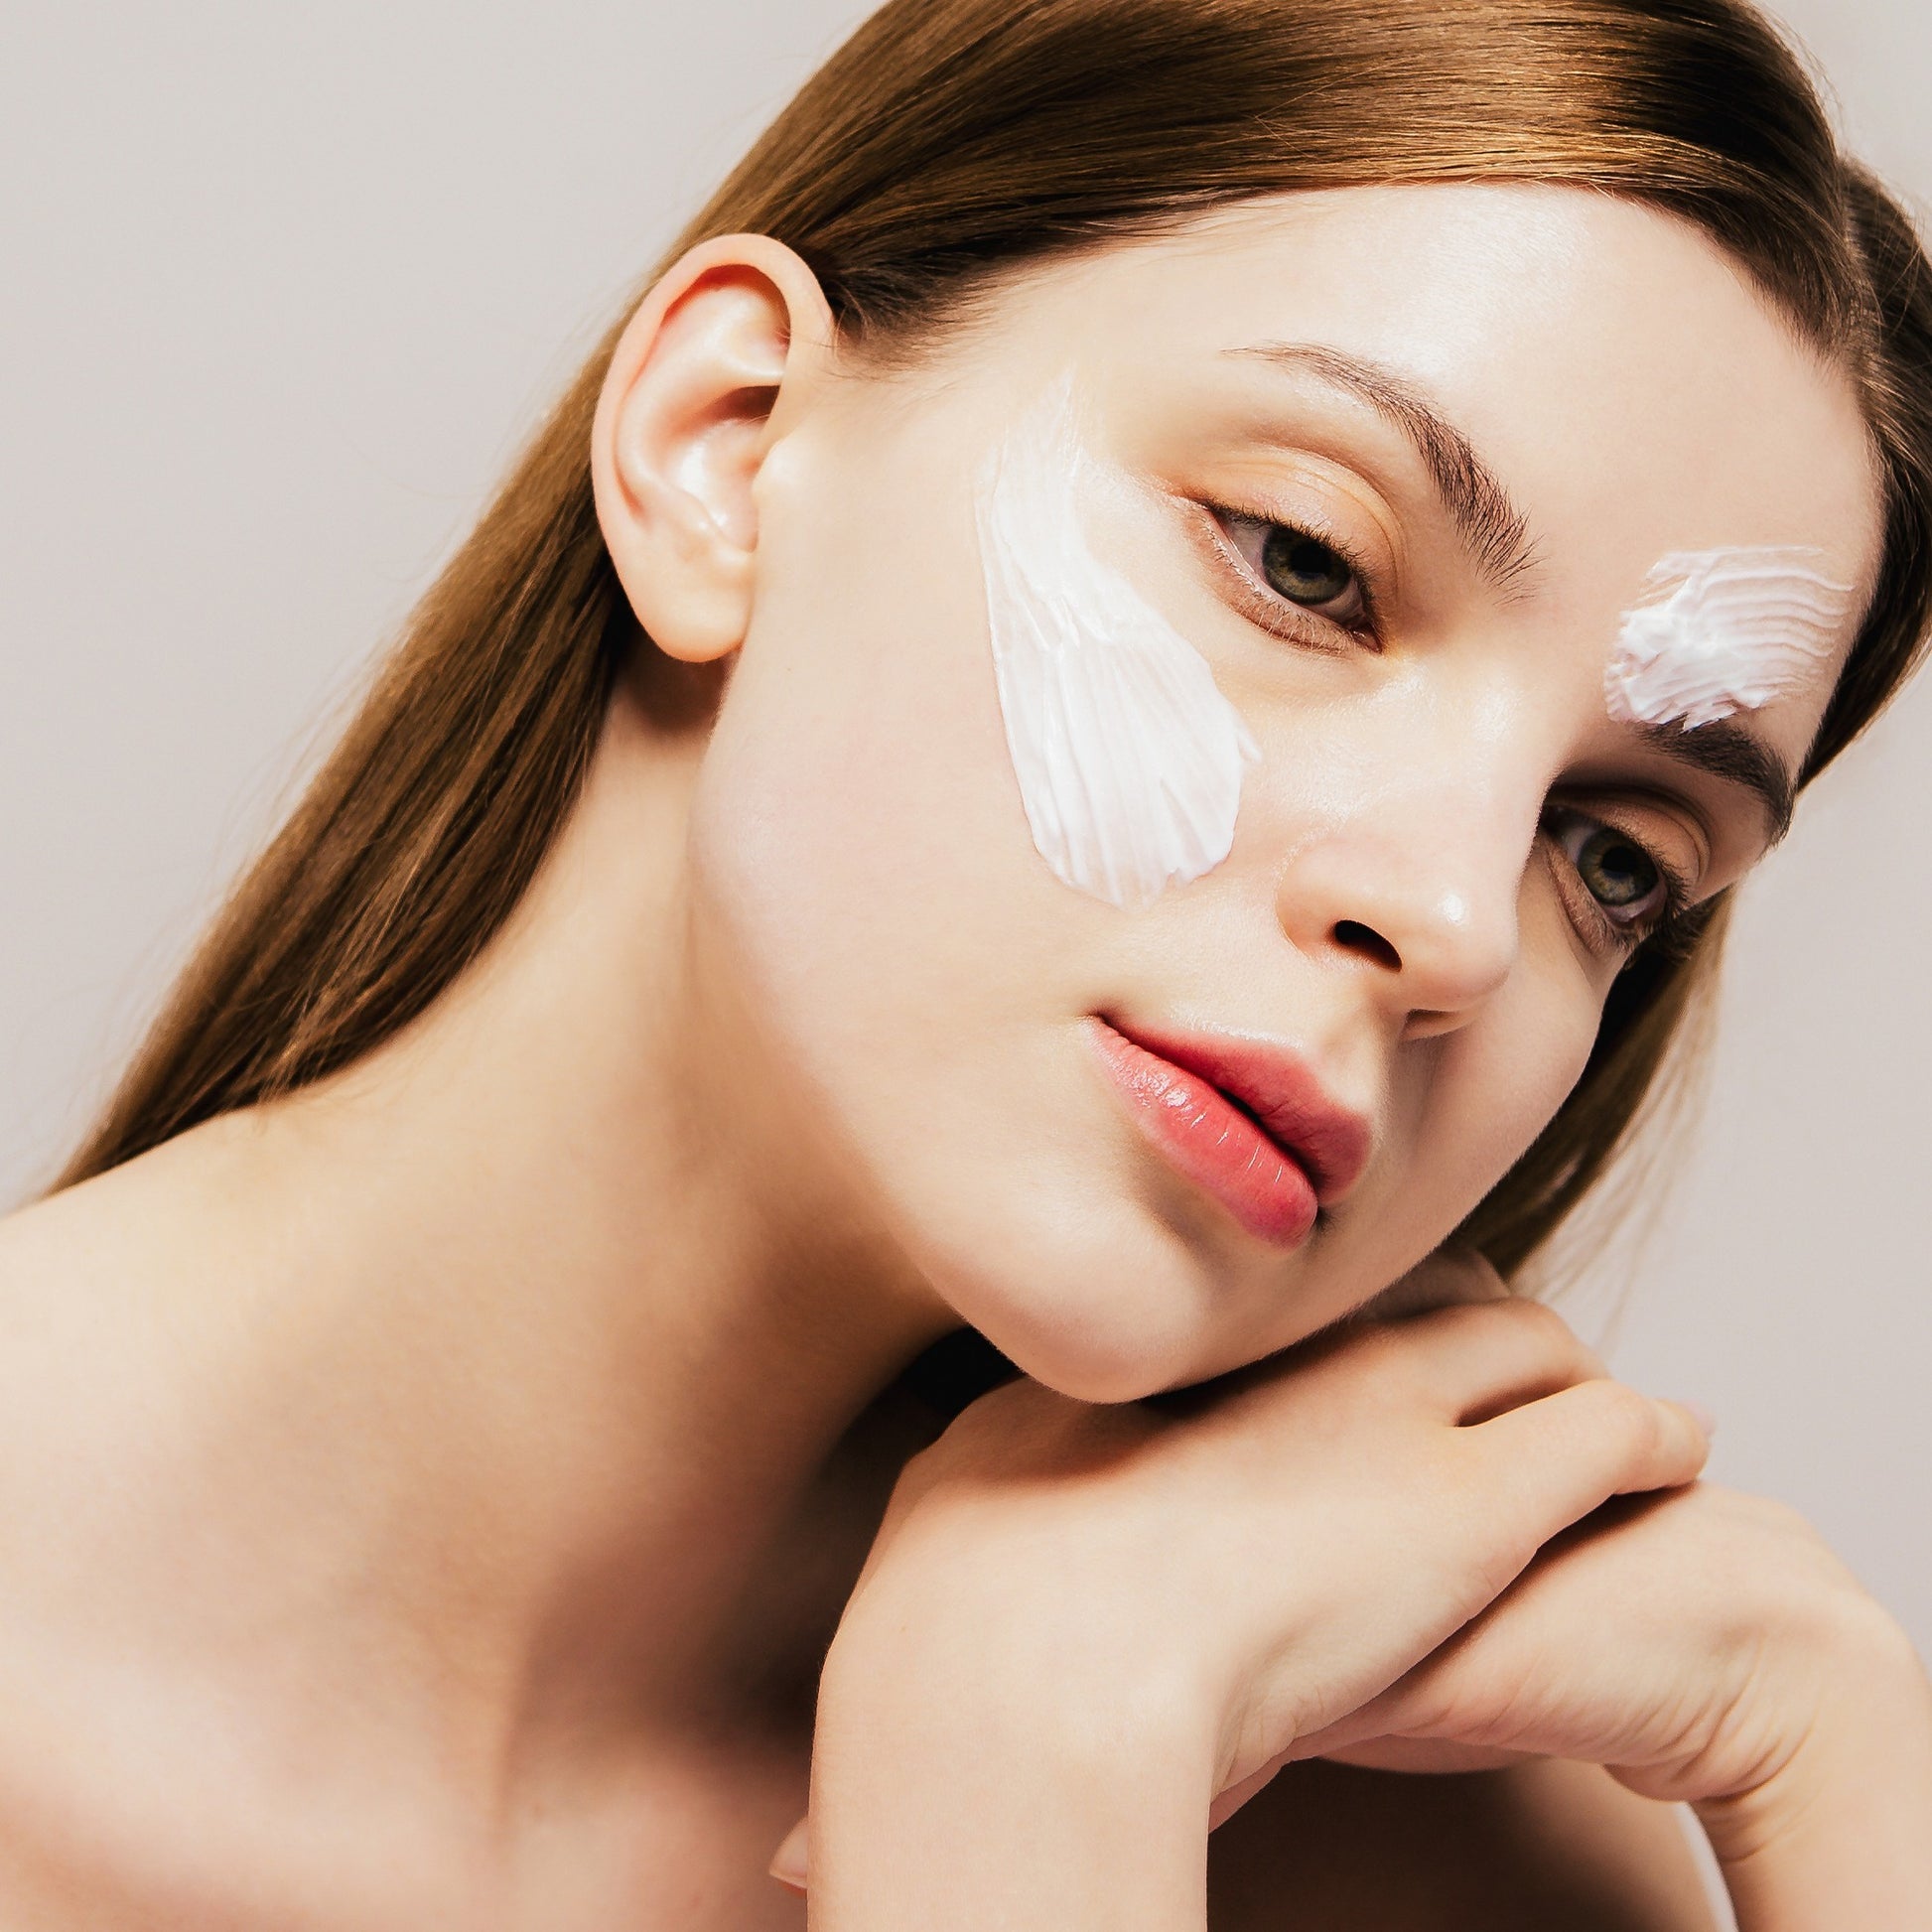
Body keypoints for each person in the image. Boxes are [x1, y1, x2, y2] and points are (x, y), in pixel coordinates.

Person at [3, 0, 1929, 1923]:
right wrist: (1019, 1785)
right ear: (724, 448)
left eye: (1612, 855)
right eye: (1303, 561)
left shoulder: (1438, 1836)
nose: (1452, 923)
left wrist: (1834, 1757)